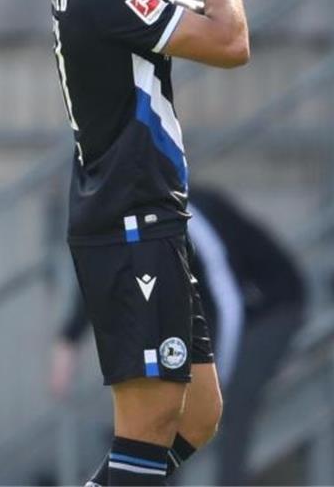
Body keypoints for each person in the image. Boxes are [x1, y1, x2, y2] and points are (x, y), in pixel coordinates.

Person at [50, 0, 249, 485]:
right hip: (130, 222)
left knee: (199, 413)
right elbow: (231, 42)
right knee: (152, 419)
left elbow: (221, 29)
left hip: (148, 220)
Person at [51, 186, 307, 485]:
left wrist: (218, 378)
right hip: (211, 309)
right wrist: (68, 341)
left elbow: (230, 305)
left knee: (232, 404)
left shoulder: (189, 223)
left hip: (269, 306)